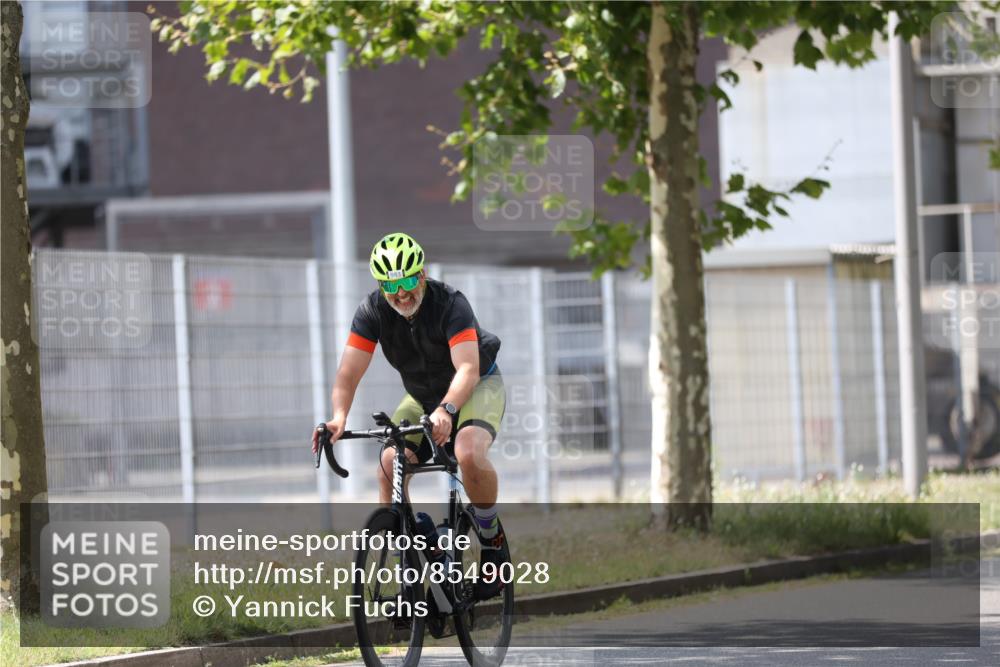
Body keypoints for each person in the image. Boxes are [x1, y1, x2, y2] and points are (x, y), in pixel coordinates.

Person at [312, 232, 507, 599]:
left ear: (421, 274)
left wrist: (448, 410)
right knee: (389, 462)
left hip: (476, 386)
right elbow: (348, 372)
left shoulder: (450, 304)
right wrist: (338, 417)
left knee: (467, 452)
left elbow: (467, 368)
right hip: (421, 396)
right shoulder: (372, 311)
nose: (400, 293)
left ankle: (491, 539)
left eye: (406, 281)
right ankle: (412, 565)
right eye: (390, 285)